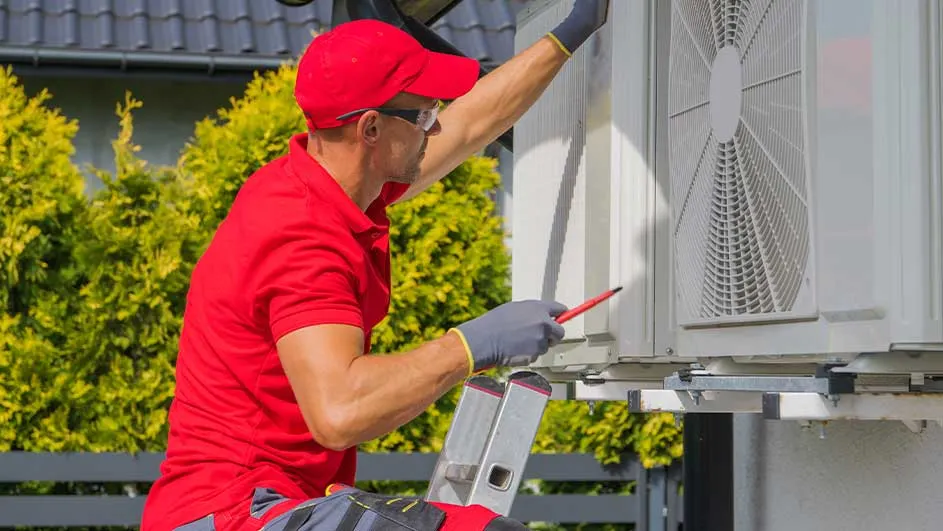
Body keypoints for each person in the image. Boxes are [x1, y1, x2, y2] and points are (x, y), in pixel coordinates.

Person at [141, 2, 610, 531]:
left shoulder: (333, 186)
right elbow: (340, 411)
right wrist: (471, 346)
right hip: (236, 511)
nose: (434, 127)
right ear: (369, 128)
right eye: (423, 115)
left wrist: (572, 32)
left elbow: (472, 122)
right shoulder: (301, 236)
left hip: (268, 501)